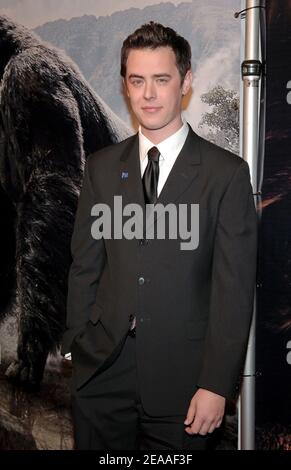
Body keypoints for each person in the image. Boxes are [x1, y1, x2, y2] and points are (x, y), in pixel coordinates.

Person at [61, 21, 257, 450]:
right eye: (137, 80)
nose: (148, 94)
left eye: (161, 79)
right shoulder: (101, 167)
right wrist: (77, 343)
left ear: (185, 82)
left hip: (185, 386)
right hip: (102, 377)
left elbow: (234, 290)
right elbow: (86, 264)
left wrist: (217, 384)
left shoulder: (225, 174)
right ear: (125, 86)